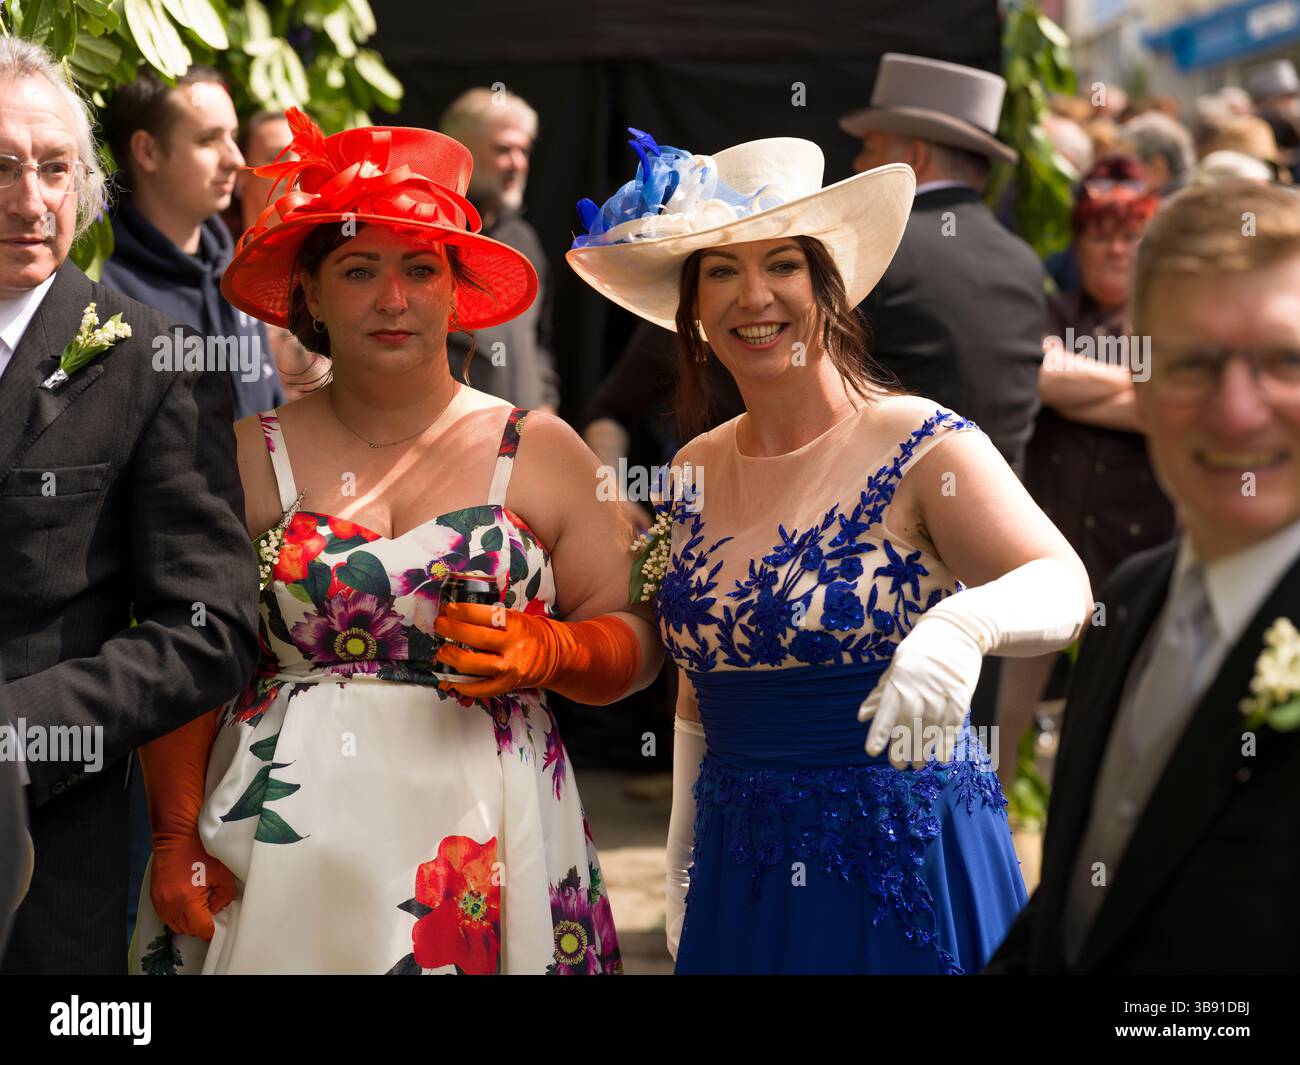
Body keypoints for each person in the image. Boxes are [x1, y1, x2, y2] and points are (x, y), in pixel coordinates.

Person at [128, 109, 662, 975]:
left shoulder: (546, 450)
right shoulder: (243, 455)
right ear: (309, 293)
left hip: (493, 842)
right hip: (280, 848)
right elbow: (187, 651)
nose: (392, 298)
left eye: (420, 269)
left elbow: (638, 642)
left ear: (457, 292)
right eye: (358, 268)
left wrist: (558, 647)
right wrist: (174, 829)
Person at [567, 128, 1092, 974]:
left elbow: (1064, 584)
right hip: (742, 861)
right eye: (722, 271)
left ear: (827, 287)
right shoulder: (693, 465)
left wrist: (964, 626)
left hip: (902, 860)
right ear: (692, 311)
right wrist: (680, 853)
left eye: (781, 264)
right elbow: (699, 687)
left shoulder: (920, 441)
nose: (753, 296)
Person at [988, 181, 1300, 974]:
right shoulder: (1128, 601)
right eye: (1192, 363)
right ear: (1144, 387)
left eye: (1284, 361)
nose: (1237, 412)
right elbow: (1074, 915)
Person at [0, 37, 258, 974]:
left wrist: (18, 729)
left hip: (44, 856)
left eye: (54, 169)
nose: (30, 202)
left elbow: (212, 625)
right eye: (0, 168)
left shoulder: (153, 359)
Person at [1000, 155, 1176, 779]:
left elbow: (1171, 412)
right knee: (1002, 723)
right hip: (1045, 542)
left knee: (1118, 725)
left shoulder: (1168, 321)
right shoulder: (1052, 311)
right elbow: (1036, 373)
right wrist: (1143, 388)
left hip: (1135, 547)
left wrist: (1097, 386)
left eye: (1129, 237)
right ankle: (993, 850)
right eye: (1100, 237)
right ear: (1079, 244)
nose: (1115, 251)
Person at [840, 52, 1045, 479]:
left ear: (914, 156)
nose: (858, 164)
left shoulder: (878, 247)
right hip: (1008, 525)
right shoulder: (1024, 261)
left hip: (886, 525)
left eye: (869, 148)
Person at [100, 66, 282, 418]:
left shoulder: (238, 273)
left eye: (232, 136)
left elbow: (272, 421)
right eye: (208, 140)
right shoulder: (103, 296)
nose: (236, 160)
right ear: (147, 151)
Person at [438, 88, 560, 412]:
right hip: (453, 443)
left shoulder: (524, 239)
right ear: (462, 153)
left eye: (524, 150)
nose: (518, 163)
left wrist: (546, 402)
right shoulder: (432, 237)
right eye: (504, 149)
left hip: (525, 441)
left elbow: (540, 342)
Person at [234, 109, 326, 401]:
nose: (292, 173)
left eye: (304, 161)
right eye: (277, 157)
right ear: (240, 176)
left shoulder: (340, 269)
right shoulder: (214, 278)